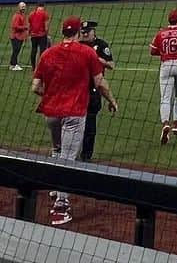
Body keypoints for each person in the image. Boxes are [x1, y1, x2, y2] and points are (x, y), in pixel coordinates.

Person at [31, 16, 118, 227]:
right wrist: (112, 100)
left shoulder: (48, 53)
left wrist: (50, 95)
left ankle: (53, 187)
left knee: (57, 150)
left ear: (63, 32)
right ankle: (61, 206)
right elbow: (100, 83)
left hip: (51, 113)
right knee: (69, 158)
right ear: (79, 32)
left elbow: (35, 86)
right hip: (74, 113)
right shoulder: (87, 52)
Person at [150, 8, 177, 144]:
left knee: (165, 98)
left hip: (166, 65)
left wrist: (163, 53)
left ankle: (165, 124)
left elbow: (152, 51)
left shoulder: (161, 33)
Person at [78, 20, 114, 161]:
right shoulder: (77, 44)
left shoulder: (101, 45)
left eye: (88, 32)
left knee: (90, 125)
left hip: (94, 88)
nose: (85, 34)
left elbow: (111, 65)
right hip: (78, 88)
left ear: (94, 31)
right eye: (83, 32)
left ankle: (86, 155)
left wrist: (96, 59)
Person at [29, 2, 50, 69]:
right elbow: (46, 26)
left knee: (33, 50)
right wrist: (47, 34)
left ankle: (33, 66)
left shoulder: (31, 14)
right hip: (42, 35)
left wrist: (30, 33)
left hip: (33, 35)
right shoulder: (45, 14)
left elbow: (30, 25)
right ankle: (41, 66)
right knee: (42, 51)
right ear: (43, 6)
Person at [9, 2, 28, 71]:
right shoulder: (17, 16)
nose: (23, 8)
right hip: (15, 37)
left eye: (24, 7)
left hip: (19, 36)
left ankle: (14, 64)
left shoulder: (22, 15)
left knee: (16, 51)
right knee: (16, 51)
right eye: (22, 7)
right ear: (19, 7)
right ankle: (13, 65)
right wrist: (25, 27)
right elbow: (15, 27)